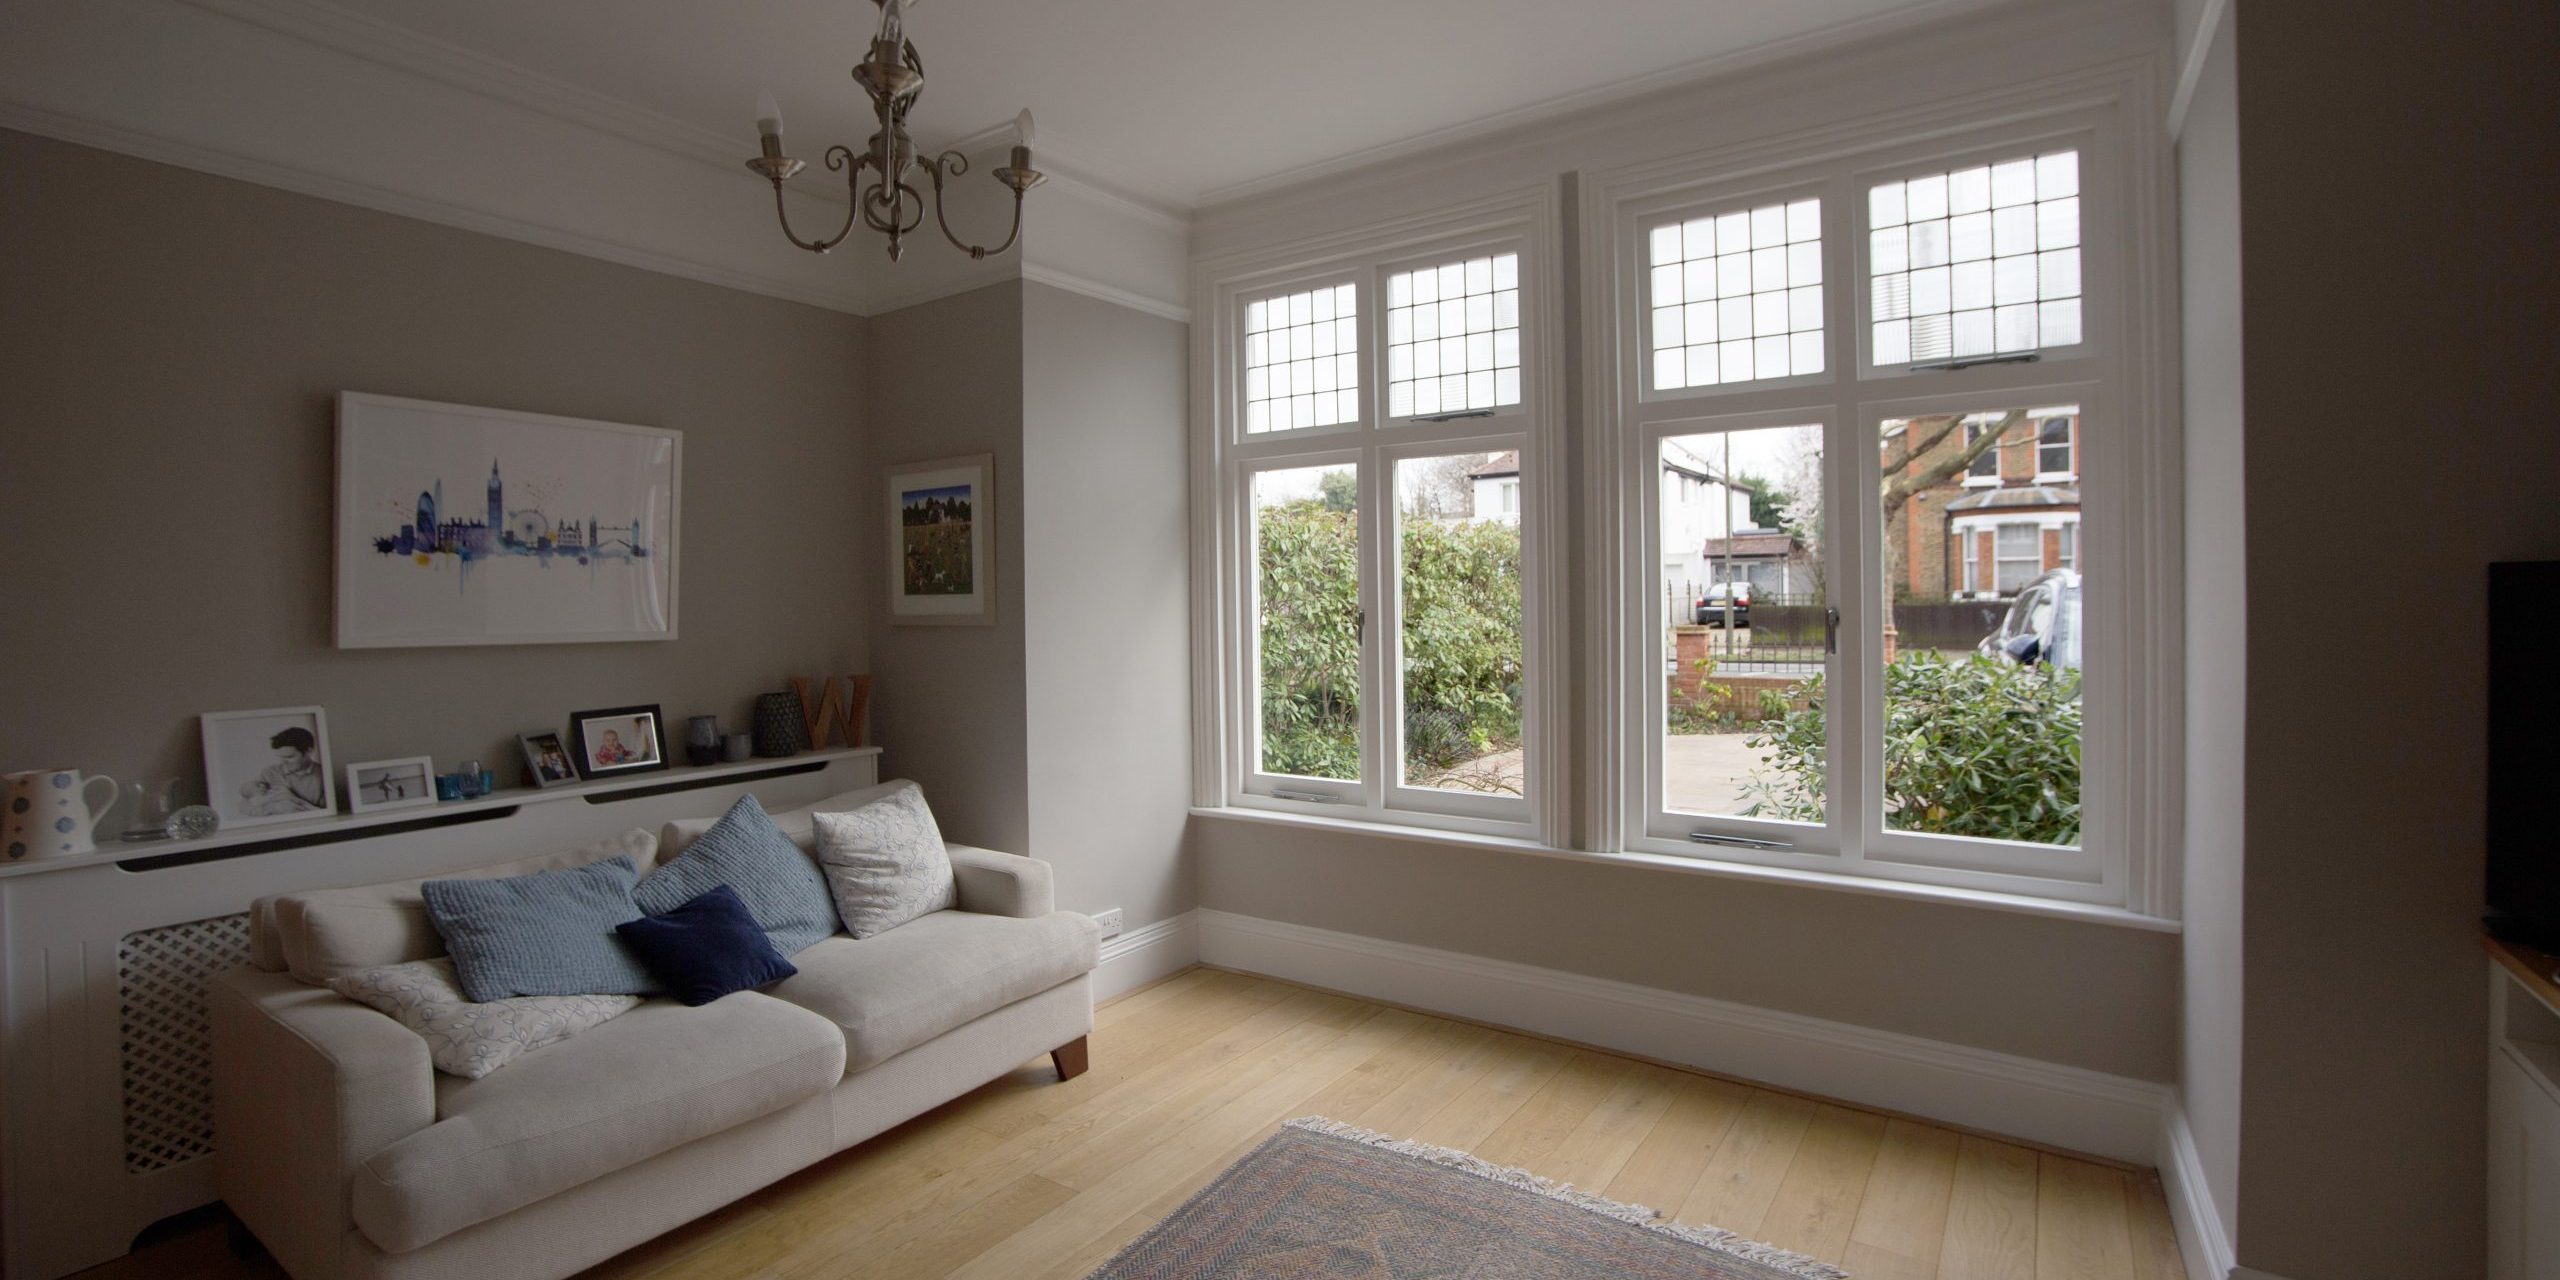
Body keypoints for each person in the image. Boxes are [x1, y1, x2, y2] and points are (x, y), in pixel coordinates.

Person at [240, 727, 325, 815]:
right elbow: (244, 806)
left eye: (289, 757)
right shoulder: (269, 773)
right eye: (280, 757)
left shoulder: (324, 775)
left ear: (309, 751)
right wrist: (274, 808)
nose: (283, 762)